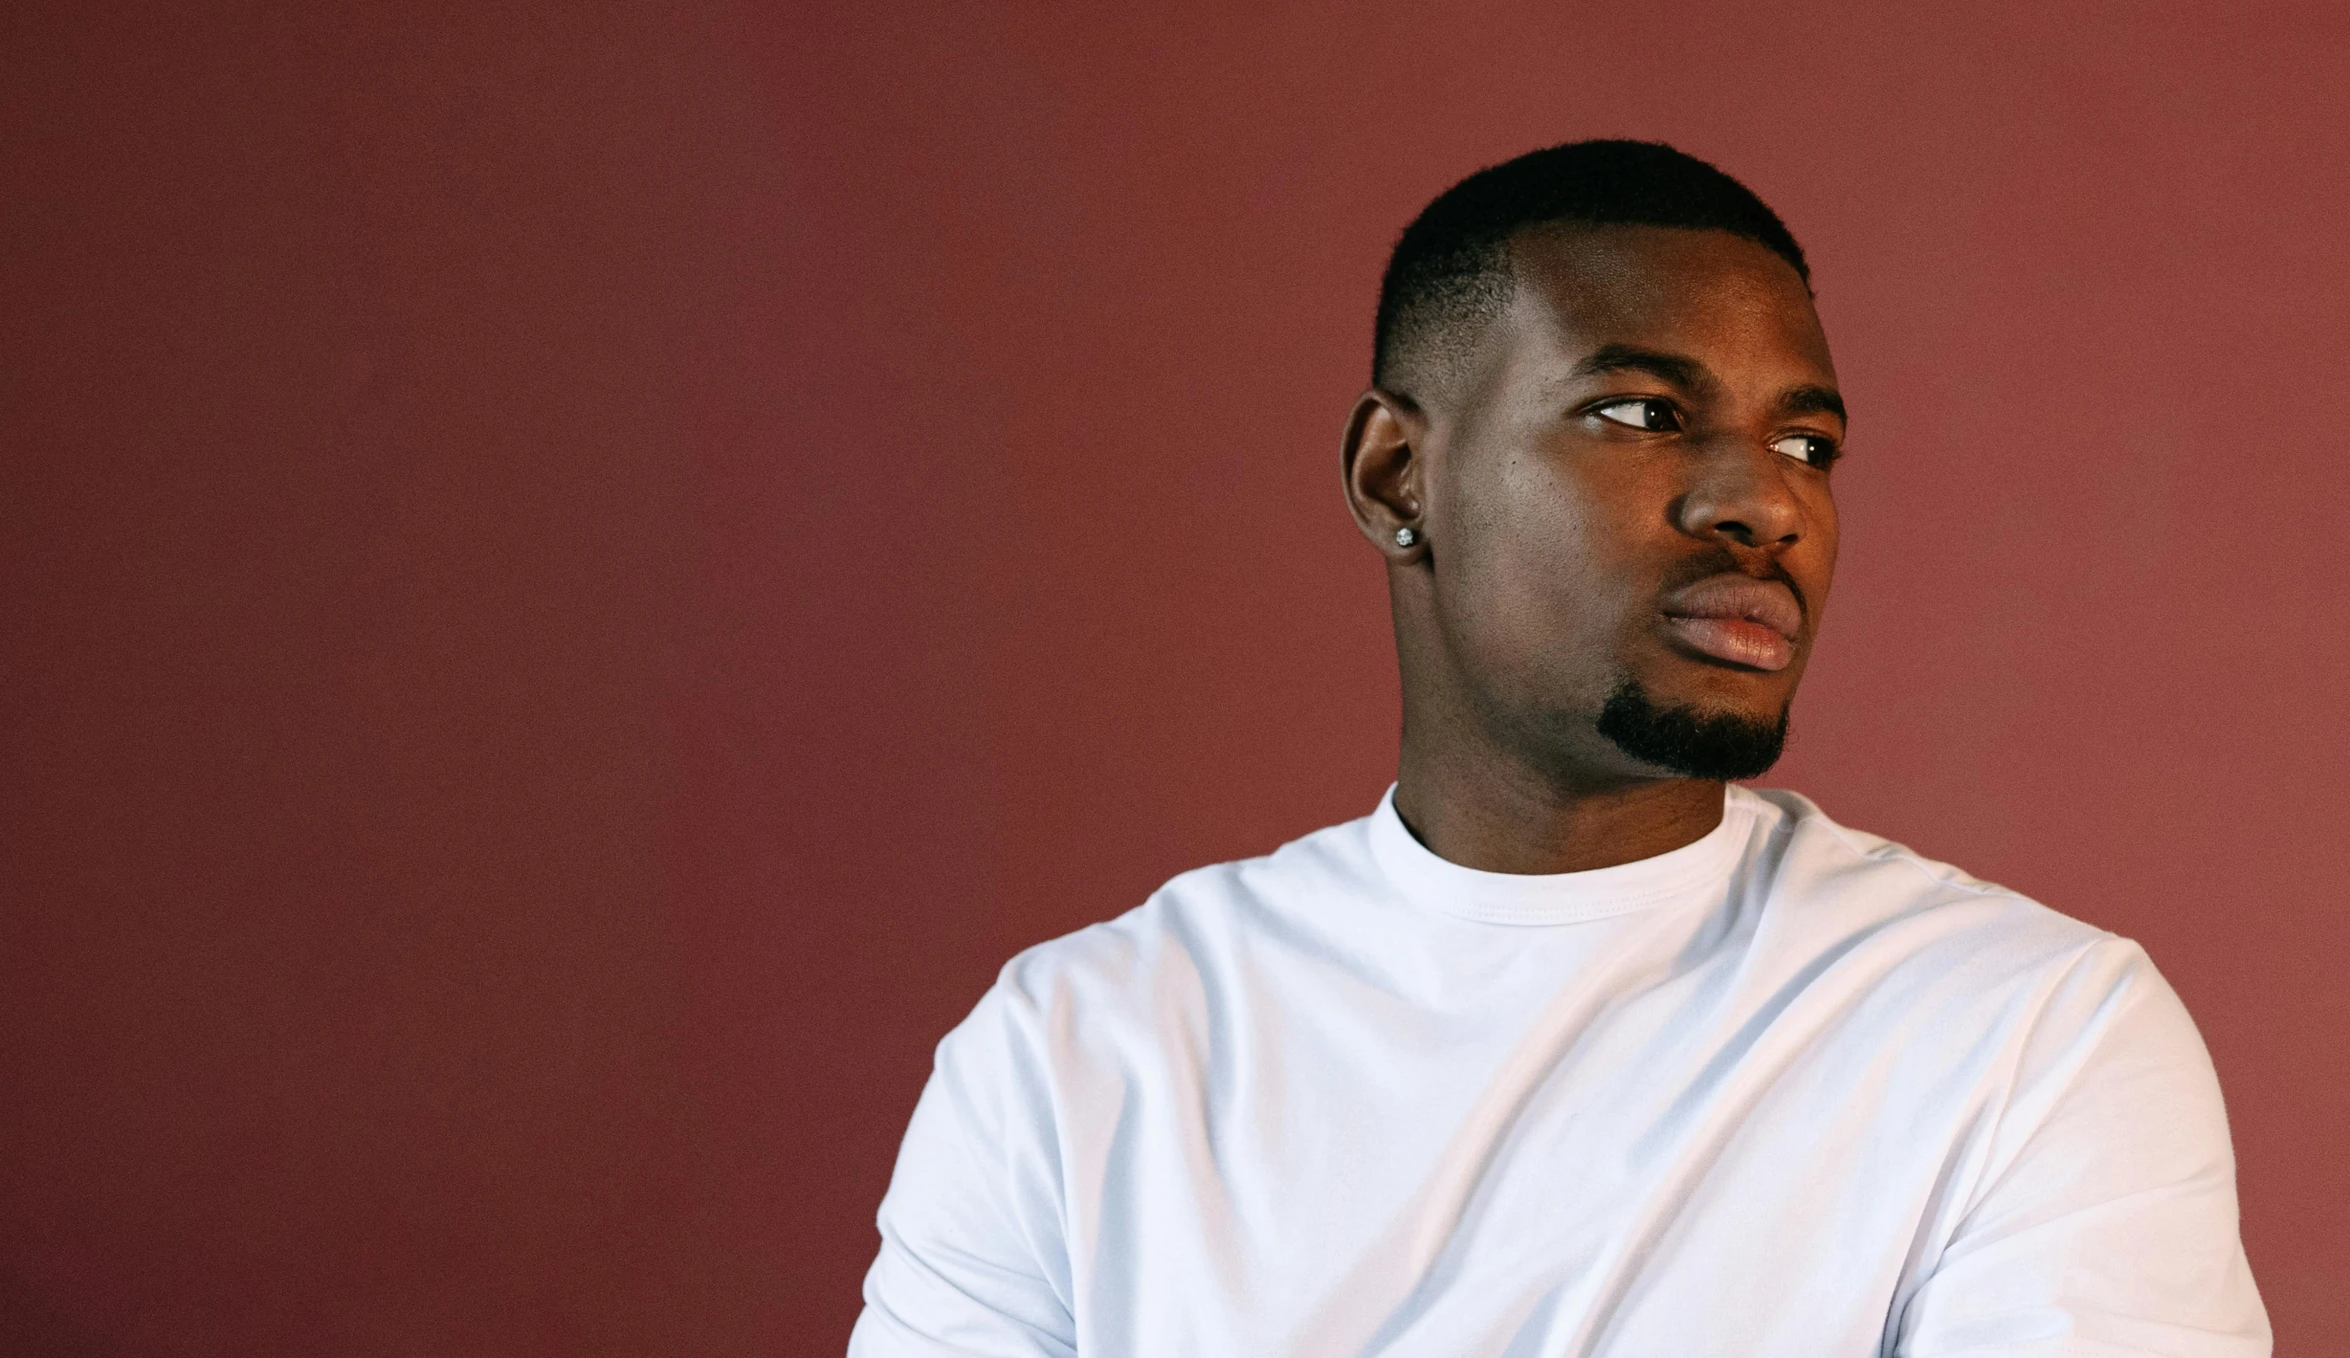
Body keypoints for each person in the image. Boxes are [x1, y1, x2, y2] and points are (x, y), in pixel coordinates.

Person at [847, 141, 2269, 1356]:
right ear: (1397, 474)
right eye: (1641, 413)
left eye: (1809, 443)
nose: (1762, 504)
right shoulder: (1078, 1050)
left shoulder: (2027, 1033)